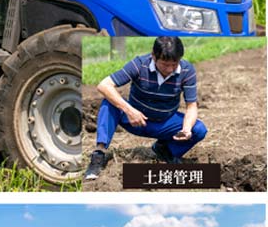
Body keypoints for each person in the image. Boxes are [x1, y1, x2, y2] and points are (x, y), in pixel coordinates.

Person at [84, 36, 207, 180]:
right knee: (109, 102)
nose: (170, 69)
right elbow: (104, 85)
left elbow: (191, 106)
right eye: (165, 64)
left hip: (165, 123)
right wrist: (130, 111)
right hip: (134, 120)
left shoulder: (187, 70)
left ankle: (165, 150)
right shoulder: (139, 64)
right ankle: (99, 154)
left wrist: (186, 129)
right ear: (153, 56)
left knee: (199, 129)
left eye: (174, 64)